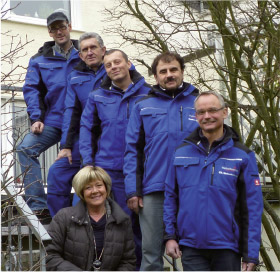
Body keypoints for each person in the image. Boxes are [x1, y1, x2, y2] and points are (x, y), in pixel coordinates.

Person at [164, 91, 263, 271]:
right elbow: (171, 197)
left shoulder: (242, 156)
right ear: (195, 116)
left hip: (227, 247)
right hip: (191, 246)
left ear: (224, 112)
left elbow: (253, 208)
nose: (207, 116)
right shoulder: (180, 153)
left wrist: (251, 253)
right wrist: (170, 236)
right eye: (201, 112)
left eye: (212, 110)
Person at [124, 52, 199, 271]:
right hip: (154, 189)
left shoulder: (199, 103)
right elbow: (132, 151)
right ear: (156, 77)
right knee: (150, 253)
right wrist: (132, 190)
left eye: (173, 69)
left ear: (182, 72)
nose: (169, 75)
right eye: (163, 71)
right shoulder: (142, 105)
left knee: (194, 251)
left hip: (192, 188)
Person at [79, 49, 151, 269]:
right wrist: (89, 164)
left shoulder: (149, 94)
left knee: (141, 230)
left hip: (143, 173)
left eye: (117, 62)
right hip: (109, 172)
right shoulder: (97, 96)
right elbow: (86, 129)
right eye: (108, 65)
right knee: (113, 229)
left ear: (129, 64)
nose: (113, 67)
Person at [16, 10, 80, 219]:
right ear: (50, 33)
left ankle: (83, 209)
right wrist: (36, 118)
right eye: (54, 29)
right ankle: (38, 205)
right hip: (53, 120)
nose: (59, 31)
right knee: (25, 148)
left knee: (82, 162)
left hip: (81, 123)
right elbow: (32, 89)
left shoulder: (86, 53)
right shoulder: (40, 59)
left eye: (62, 27)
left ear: (69, 27)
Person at [47, 32, 107, 217]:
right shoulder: (75, 76)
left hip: (107, 140)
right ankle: (60, 223)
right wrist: (66, 145)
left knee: (86, 185)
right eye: (85, 50)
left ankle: (81, 224)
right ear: (80, 55)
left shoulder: (114, 68)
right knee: (57, 172)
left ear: (103, 50)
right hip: (81, 139)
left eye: (93, 48)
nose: (89, 52)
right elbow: (71, 111)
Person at [46, 166, 136, 271]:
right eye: (88, 187)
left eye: (99, 185)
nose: (95, 191)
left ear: (106, 188)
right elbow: (50, 256)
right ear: (81, 192)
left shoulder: (123, 221)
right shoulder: (63, 217)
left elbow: (128, 262)